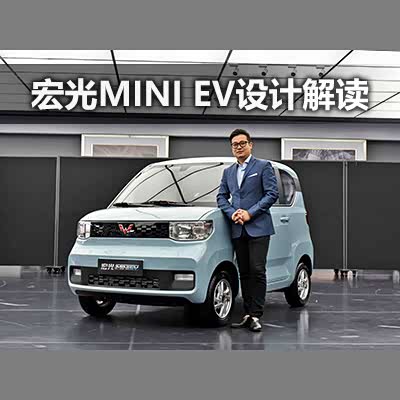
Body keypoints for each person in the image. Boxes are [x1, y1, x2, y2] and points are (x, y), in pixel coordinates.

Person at [217, 129, 279, 332]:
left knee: (257, 271)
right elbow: (221, 197)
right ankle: (247, 313)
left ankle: (256, 315)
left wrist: (250, 214)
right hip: (238, 228)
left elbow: (272, 194)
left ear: (250, 145)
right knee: (243, 272)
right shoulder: (228, 172)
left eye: (242, 143)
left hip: (259, 227)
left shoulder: (263, 166)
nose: (239, 147)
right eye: (235, 144)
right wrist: (232, 213)